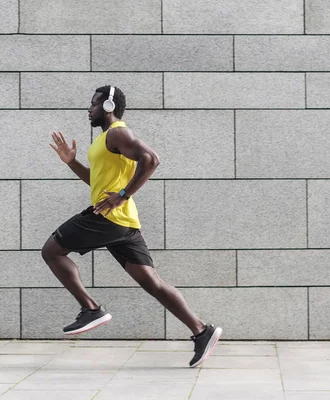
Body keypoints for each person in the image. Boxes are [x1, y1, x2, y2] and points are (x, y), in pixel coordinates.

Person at [42, 85, 222, 368]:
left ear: (109, 107)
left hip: (108, 217)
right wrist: (70, 162)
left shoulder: (117, 133)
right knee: (152, 282)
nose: (88, 109)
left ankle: (91, 309)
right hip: (123, 223)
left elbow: (151, 159)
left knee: (52, 251)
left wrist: (123, 195)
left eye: (94, 104)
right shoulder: (105, 141)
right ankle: (202, 330)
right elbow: (97, 182)